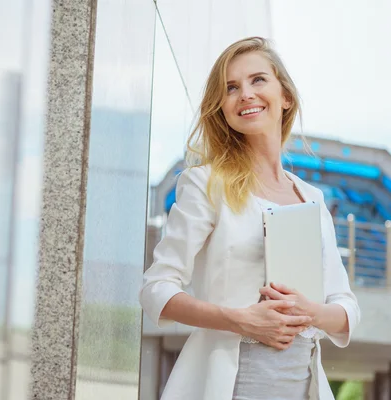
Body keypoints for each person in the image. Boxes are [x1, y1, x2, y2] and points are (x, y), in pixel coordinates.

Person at [140, 37, 360, 400]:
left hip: (303, 384)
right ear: (221, 108)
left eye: (258, 80)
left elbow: (346, 307)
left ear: (285, 96)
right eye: (231, 87)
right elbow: (156, 289)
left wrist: (311, 313)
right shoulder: (205, 184)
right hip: (231, 383)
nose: (245, 94)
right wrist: (240, 318)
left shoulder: (313, 198)